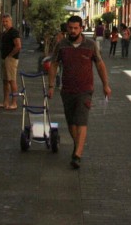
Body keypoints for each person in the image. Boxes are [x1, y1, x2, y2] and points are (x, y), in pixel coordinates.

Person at [47, 15, 111, 169]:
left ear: (81, 28)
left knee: (81, 120)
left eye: (76, 28)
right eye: (70, 28)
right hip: (67, 89)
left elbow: (100, 64)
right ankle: (78, 145)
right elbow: (54, 64)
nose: (73, 31)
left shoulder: (90, 45)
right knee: (71, 122)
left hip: (85, 89)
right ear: (67, 28)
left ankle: (77, 155)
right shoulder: (61, 45)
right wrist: (50, 86)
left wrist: (105, 85)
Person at [0, 14, 21, 110]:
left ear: (10, 22)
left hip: (11, 59)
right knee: (5, 81)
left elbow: (18, 46)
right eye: (3, 21)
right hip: (4, 58)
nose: (4, 23)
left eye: (6, 21)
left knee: (12, 80)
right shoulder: (4, 33)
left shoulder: (14, 32)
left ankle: (14, 102)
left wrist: (10, 55)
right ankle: (5, 102)